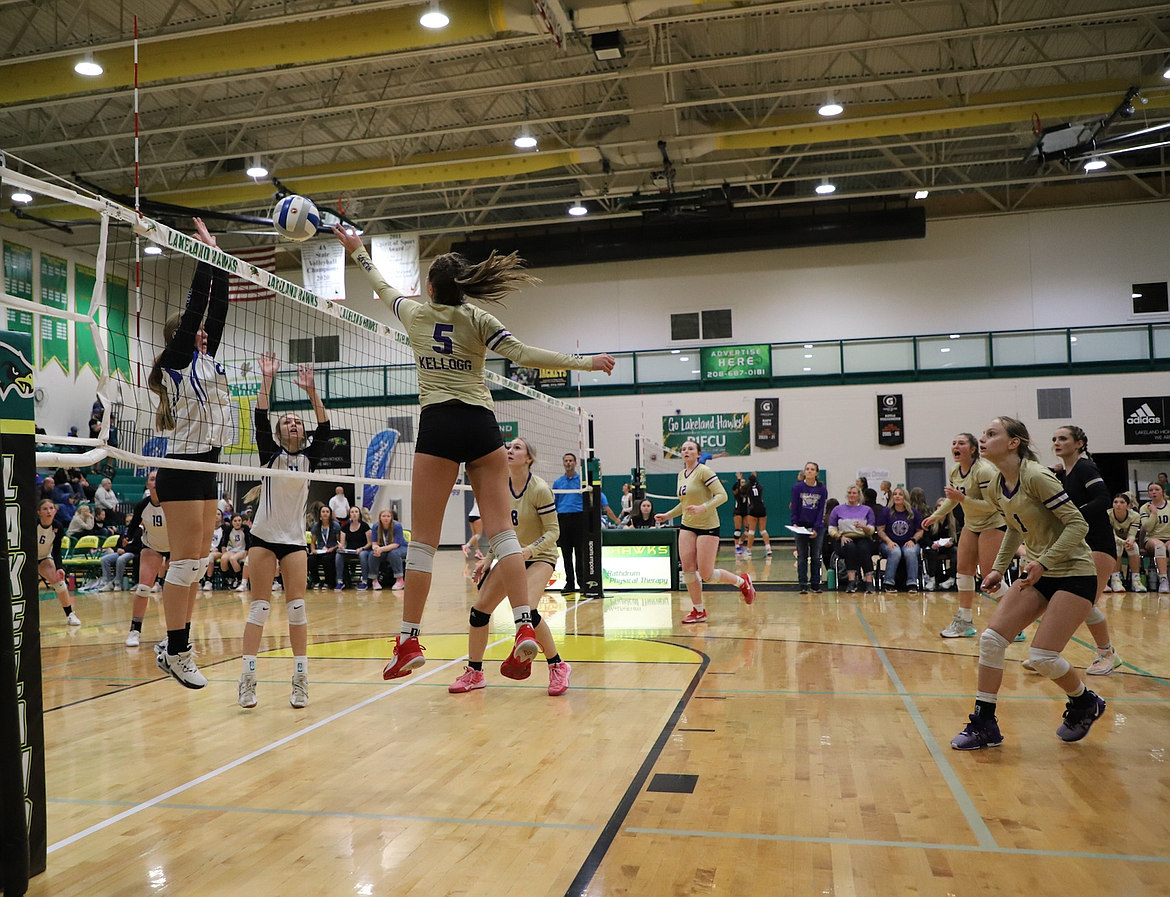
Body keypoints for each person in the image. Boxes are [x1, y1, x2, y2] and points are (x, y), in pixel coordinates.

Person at [336, 224, 614, 678]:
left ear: (430, 288)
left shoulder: (414, 313)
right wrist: (585, 362)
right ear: (463, 287)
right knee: (503, 534)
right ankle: (525, 626)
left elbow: (380, 284)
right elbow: (524, 355)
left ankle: (408, 641)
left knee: (422, 544)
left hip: (440, 424)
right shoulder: (481, 320)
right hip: (482, 424)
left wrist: (358, 250)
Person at [950, 417, 1106, 750]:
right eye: (983, 433)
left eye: (991, 434)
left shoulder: (1036, 476)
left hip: (1074, 572)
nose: (983, 438)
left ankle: (1084, 702)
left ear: (1013, 443)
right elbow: (1016, 529)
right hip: (1039, 572)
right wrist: (997, 568)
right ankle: (985, 723)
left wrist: (1044, 562)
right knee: (991, 640)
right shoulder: (996, 485)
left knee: (1042, 656)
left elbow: (1078, 525)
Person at [145, 217, 229, 689]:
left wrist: (220, 259)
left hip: (209, 467)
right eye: (196, 331)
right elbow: (200, 307)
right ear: (184, 335)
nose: (204, 333)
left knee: (198, 563)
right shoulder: (178, 362)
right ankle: (178, 650)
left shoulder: (207, 357)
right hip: (182, 467)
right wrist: (203, 257)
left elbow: (217, 308)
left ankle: (176, 643)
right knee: (183, 564)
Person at [237, 351, 330, 709]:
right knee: (259, 608)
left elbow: (325, 429)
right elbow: (260, 417)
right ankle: (247, 679)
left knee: (297, 611)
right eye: (286, 422)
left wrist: (311, 391)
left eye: (297, 422)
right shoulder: (269, 455)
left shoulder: (311, 457)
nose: (293, 424)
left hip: (293, 542)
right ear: (278, 434)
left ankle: (301, 679)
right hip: (262, 538)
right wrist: (267, 379)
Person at [450, 437, 572, 696]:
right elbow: (502, 530)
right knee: (479, 612)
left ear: (529, 458)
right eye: (508, 447)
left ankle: (558, 666)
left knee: (527, 609)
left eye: (517, 447)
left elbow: (553, 531)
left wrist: (530, 549)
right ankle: (475, 672)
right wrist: (488, 557)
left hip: (540, 556)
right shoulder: (500, 487)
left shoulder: (539, 489)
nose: (510, 450)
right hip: (510, 554)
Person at [1028, 426, 1120, 676]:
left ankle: (1107, 653)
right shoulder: (1065, 472)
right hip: (1079, 545)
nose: (1057, 443)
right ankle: (1048, 651)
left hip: (1098, 545)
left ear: (1079, 444)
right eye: (1054, 439)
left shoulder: (1085, 468)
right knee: (1064, 599)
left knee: (1086, 603)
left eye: (1063, 439)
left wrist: (1073, 517)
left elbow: (1103, 499)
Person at [655, 438, 755, 622]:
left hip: (708, 526)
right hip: (687, 525)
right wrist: (668, 515)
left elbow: (722, 496)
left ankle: (742, 581)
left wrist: (703, 507)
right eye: (684, 449)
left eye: (690, 448)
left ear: (698, 454)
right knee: (688, 570)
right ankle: (698, 610)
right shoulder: (681, 475)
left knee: (707, 574)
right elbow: (684, 503)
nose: (686, 451)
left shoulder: (704, 471)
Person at [923, 433, 1007, 639]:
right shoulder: (954, 471)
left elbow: (992, 506)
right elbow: (952, 500)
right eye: (953, 443)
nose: (956, 446)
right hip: (972, 524)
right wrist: (935, 516)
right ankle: (965, 621)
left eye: (961, 443)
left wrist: (963, 498)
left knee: (989, 576)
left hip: (993, 523)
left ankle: (1014, 620)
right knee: (963, 570)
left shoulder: (984, 471)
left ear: (972, 449)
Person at [124, 471, 170, 647]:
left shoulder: (173, 504)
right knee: (143, 588)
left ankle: (175, 634)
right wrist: (127, 537)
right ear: (147, 484)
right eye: (152, 479)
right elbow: (134, 523)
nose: (156, 481)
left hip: (174, 548)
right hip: (152, 547)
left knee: (174, 590)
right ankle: (135, 630)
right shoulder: (143, 505)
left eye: (159, 478)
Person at [36, 499, 82, 626]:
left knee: (60, 583)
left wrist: (59, 568)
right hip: (27, 558)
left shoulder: (58, 527)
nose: (48, 511)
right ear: (39, 512)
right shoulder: (32, 524)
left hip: (44, 558)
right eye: (45, 509)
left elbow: (56, 550)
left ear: (55, 510)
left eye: (51, 508)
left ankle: (70, 615)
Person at [828, 485, 876, 592]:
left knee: (864, 549)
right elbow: (831, 528)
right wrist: (840, 536)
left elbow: (872, 529)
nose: (851, 495)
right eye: (849, 493)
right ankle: (851, 581)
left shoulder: (867, 510)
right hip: (844, 538)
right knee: (850, 547)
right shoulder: (838, 509)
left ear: (859, 495)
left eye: (854, 493)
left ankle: (869, 581)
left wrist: (864, 527)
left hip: (863, 537)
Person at [790, 462, 828, 594]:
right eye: (807, 469)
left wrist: (816, 529)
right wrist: (794, 523)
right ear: (804, 472)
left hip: (816, 527)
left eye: (812, 469)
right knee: (802, 556)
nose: (810, 471)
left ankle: (815, 584)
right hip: (801, 526)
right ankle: (802, 584)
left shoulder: (822, 489)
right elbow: (794, 507)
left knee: (816, 557)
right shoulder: (797, 488)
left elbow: (821, 510)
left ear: (817, 473)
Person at [878, 487, 924, 592]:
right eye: (895, 494)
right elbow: (880, 530)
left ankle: (912, 583)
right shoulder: (886, 511)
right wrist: (889, 541)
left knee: (910, 552)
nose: (897, 496)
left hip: (909, 542)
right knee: (895, 552)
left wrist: (913, 540)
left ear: (905, 497)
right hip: (888, 542)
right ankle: (888, 583)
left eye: (900, 494)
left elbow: (920, 531)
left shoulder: (913, 512)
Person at [553, 453, 586, 593]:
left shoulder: (582, 481)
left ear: (575, 463)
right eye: (566, 461)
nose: (568, 463)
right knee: (566, 552)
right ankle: (570, 583)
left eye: (570, 461)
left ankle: (582, 582)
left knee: (580, 552)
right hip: (563, 518)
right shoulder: (558, 482)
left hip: (579, 517)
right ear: (563, 463)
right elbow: (555, 502)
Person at [1108, 493, 1145, 592]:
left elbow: (1132, 533)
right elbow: (1112, 536)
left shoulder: (1135, 516)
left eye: (1122, 502)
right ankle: (1115, 580)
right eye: (1115, 502)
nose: (1118, 505)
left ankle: (1136, 580)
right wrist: (1124, 542)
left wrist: (1131, 541)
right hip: (1112, 541)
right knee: (1117, 546)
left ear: (1128, 505)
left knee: (1134, 547)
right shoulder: (1108, 514)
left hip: (1126, 541)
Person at [1139, 480, 1170, 593]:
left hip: (1168, 538)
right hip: (1152, 539)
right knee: (1159, 547)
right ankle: (1163, 581)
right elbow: (1147, 528)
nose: (1154, 492)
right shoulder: (1145, 508)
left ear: (1163, 492)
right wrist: (1153, 513)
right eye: (1151, 490)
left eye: (1157, 489)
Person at [365, 508, 408, 590]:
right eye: (383, 516)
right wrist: (376, 549)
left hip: (400, 547)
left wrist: (381, 549)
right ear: (380, 517)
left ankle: (400, 579)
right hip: (384, 547)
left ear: (391, 517)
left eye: (388, 516)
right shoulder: (375, 527)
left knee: (394, 553)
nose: (386, 518)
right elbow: (374, 543)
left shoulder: (397, 526)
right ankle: (374, 580)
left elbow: (396, 544)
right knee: (372, 554)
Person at [922, 495, 957, 591]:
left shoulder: (952, 521)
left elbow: (956, 536)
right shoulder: (930, 520)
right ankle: (932, 579)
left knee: (956, 552)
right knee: (931, 552)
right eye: (939, 506)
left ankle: (951, 578)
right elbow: (925, 537)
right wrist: (931, 544)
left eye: (943, 506)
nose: (941, 508)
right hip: (933, 546)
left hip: (947, 546)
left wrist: (951, 543)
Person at [308, 505, 342, 590]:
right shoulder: (316, 526)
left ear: (330, 514)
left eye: (327, 512)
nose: (325, 514)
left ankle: (329, 582)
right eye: (323, 512)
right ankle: (316, 581)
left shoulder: (335, 525)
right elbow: (312, 542)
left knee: (326, 559)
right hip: (320, 550)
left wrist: (333, 548)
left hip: (332, 549)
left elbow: (339, 542)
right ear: (320, 514)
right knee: (311, 559)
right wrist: (313, 550)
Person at [340, 505, 372, 590]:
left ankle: (365, 581)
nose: (354, 514)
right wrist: (341, 547)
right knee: (338, 556)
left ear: (359, 514)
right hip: (350, 551)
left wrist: (362, 548)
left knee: (362, 555)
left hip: (363, 549)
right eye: (352, 512)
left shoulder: (365, 526)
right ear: (349, 514)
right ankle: (340, 581)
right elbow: (342, 543)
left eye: (356, 512)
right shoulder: (345, 527)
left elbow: (370, 543)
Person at [743, 472, 772, 557]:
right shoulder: (760, 487)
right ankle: (768, 548)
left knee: (751, 531)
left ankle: (749, 550)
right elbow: (757, 486)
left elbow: (742, 491)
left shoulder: (747, 488)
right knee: (763, 530)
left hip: (753, 509)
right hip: (762, 508)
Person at [220, 513, 250, 589]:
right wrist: (223, 553)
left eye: (239, 520)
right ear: (232, 522)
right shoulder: (228, 529)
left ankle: (239, 579)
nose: (237, 523)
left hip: (242, 550)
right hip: (232, 550)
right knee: (223, 559)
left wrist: (246, 555)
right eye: (235, 521)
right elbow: (224, 542)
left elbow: (248, 543)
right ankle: (228, 578)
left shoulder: (245, 528)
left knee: (233, 559)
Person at [461, 495, 484, 560]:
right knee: (478, 535)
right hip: (478, 516)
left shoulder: (477, 496)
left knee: (474, 535)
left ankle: (477, 552)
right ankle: (466, 546)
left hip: (471, 515)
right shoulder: (485, 497)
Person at [732, 473, 749, 556]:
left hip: (745, 512)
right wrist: (738, 479)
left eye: (744, 482)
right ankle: (736, 546)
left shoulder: (747, 491)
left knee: (748, 529)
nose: (743, 484)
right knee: (738, 530)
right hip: (738, 512)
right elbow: (734, 488)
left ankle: (741, 542)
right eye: (742, 482)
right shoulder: (737, 492)